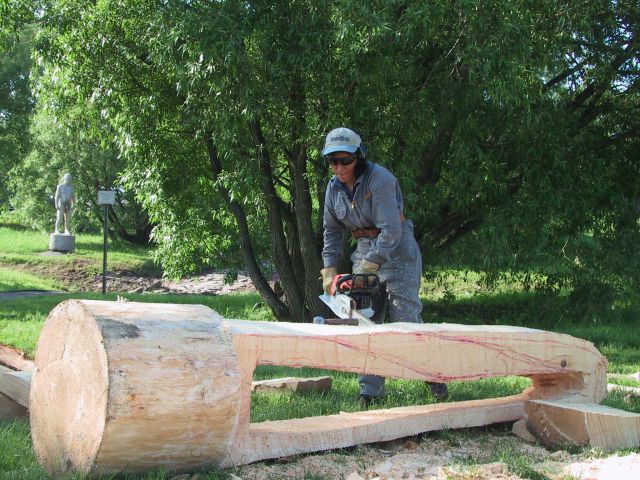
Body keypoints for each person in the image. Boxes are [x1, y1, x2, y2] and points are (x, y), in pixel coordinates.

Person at [319, 127, 448, 406]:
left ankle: (436, 379)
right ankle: (371, 393)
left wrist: (371, 264)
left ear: (359, 157)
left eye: (345, 160)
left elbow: (391, 230)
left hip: (397, 247)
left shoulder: (381, 180)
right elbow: (331, 232)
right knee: (366, 319)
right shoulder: (333, 188)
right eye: (333, 161)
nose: (339, 167)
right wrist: (329, 270)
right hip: (364, 247)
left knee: (406, 319)